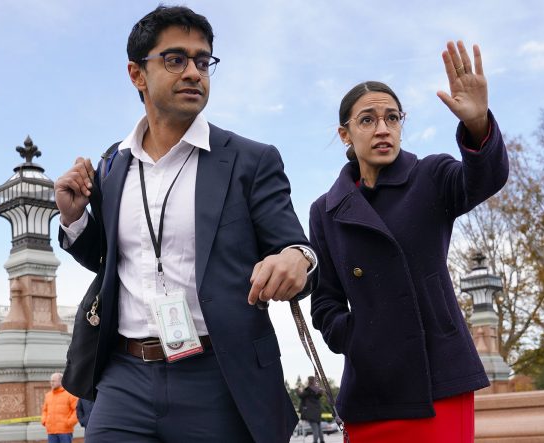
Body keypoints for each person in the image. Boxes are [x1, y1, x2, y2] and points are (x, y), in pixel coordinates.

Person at [54, 6, 317, 443]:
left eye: (202, 60)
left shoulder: (251, 160)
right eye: (175, 59)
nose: (194, 72)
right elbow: (110, 260)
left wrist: (297, 258)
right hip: (123, 377)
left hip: (218, 375)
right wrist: (75, 216)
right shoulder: (111, 166)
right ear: (137, 74)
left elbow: (296, 248)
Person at [308, 41, 508, 442]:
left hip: (439, 378)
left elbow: (486, 179)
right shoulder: (325, 210)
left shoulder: (430, 176)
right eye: (367, 120)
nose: (382, 129)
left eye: (392, 118)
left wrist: (478, 123)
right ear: (345, 134)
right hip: (371, 386)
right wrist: (357, 336)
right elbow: (325, 302)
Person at [41, 372, 78, 443]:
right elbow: (44, 410)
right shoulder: (48, 395)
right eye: (51, 381)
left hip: (65, 431)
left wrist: (69, 423)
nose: (51, 383)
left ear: (61, 381)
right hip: (51, 431)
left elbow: (77, 410)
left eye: (53, 381)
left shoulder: (69, 395)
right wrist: (44, 421)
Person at [297, 376, 325, 443]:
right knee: (319, 428)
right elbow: (319, 395)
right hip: (317, 412)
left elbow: (301, 396)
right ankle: (322, 441)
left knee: (315, 429)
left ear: (309, 381)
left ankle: (315, 441)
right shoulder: (317, 390)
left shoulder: (308, 390)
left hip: (311, 413)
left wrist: (297, 391)